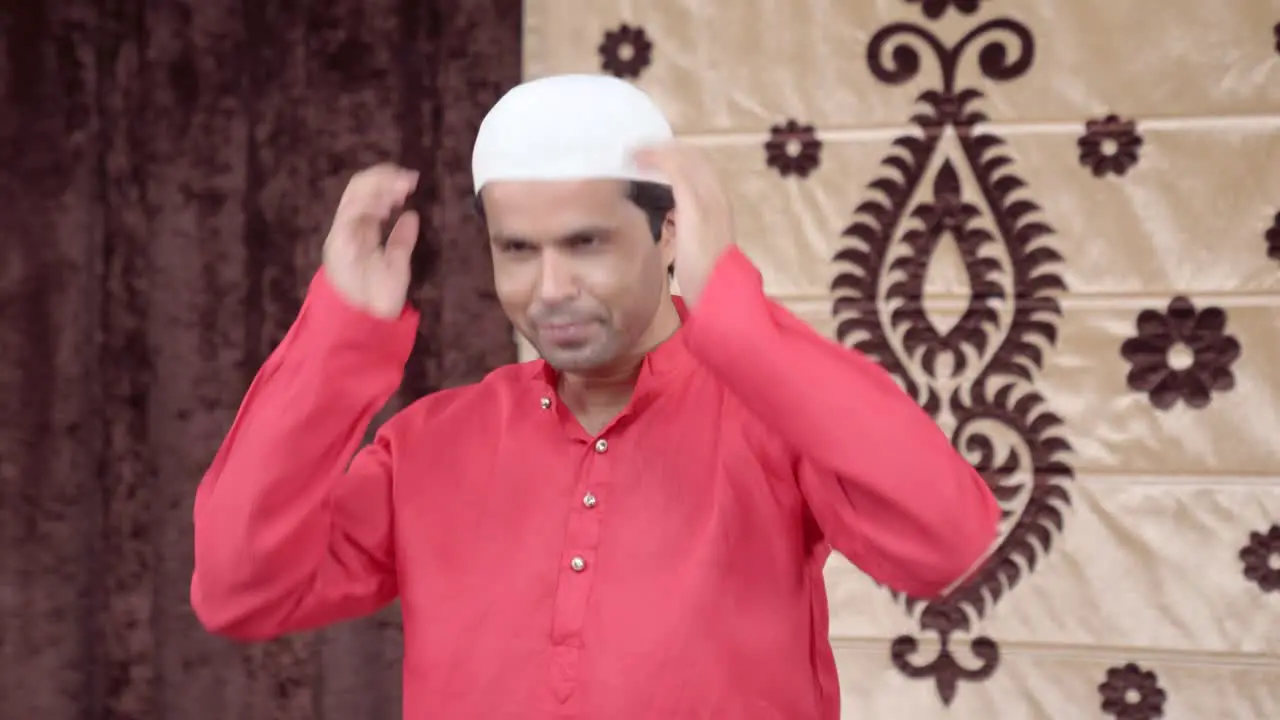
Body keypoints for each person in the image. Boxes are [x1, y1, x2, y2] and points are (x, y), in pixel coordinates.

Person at [191, 74, 999, 719]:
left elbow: (944, 541)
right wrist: (340, 340)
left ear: (670, 232)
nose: (550, 290)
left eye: (587, 244)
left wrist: (734, 315)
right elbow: (241, 588)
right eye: (518, 250)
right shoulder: (433, 442)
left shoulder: (768, 413)